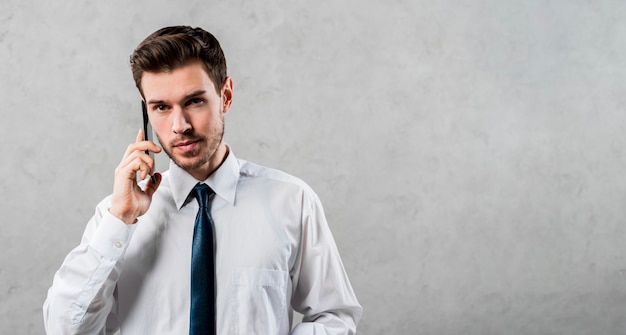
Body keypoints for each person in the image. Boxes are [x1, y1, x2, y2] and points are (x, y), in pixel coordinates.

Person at [43, 26, 362, 334]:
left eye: (194, 101)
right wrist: (121, 220)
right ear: (147, 113)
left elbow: (333, 315)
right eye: (161, 107)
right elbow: (65, 329)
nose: (179, 125)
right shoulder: (114, 219)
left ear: (225, 95)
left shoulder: (291, 201)